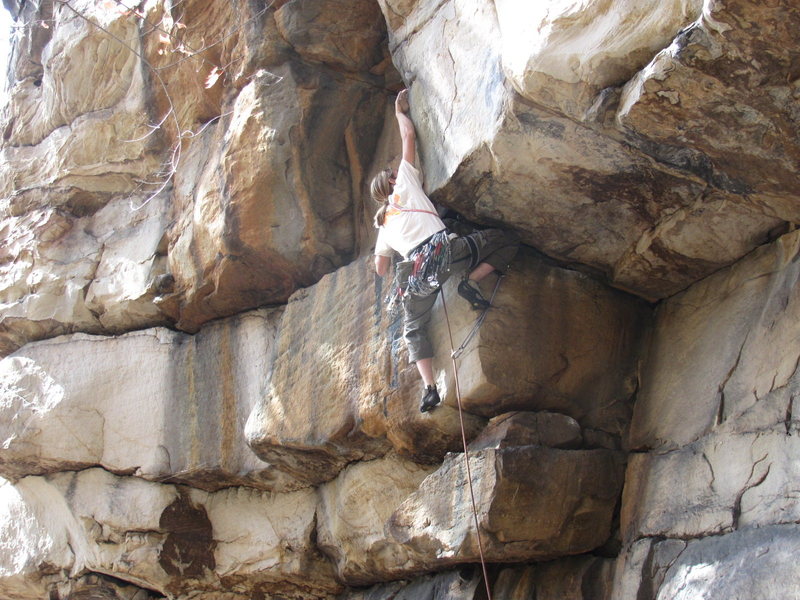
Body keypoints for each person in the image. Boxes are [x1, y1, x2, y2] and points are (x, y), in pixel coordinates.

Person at [372, 89, 519, 413]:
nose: (400, 171)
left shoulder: (382, 222)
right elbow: (408, 135)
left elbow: (381, 268)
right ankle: (472, 281)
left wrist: (397, 247)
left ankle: (429, 389)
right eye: (394, 173)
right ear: (392, 181)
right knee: (506, 239)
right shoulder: (404, 188)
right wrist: (399, 112)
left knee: (414, 327)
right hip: (445, 253)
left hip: (417, 276)